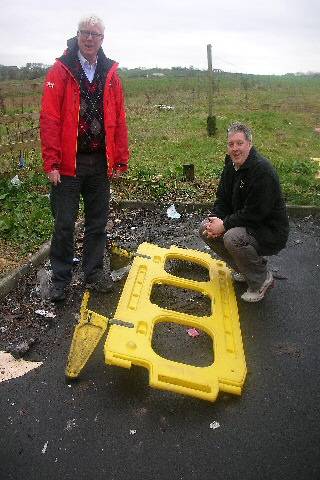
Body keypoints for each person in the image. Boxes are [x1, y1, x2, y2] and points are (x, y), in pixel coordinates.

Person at [40, 14, 129, 302]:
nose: (89, 38)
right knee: (64, 224)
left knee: (96, 223)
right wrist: (51, 162)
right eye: (85, 32)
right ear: (77, 35)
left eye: (95, 34)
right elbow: (50, 119)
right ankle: (60, 279)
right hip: (68, 164)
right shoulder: (61, 70)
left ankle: (93, 274)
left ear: (103, 38)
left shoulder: (110, 73)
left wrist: (119, 158)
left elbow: (119, 118)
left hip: (99, 162)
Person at [199, 122, 289, 303]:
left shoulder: (262, 171)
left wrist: (224, 225)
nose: (235, 148)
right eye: (231, 144)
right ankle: (245, 269)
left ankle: (261, 280)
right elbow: (222, 199)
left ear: (249, 144)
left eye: (239, 143)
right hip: (247, 224)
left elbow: (255, 213)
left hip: (269, 230)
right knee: (204, 228)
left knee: (232, 237)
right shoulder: (230, 167)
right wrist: (215, 220)